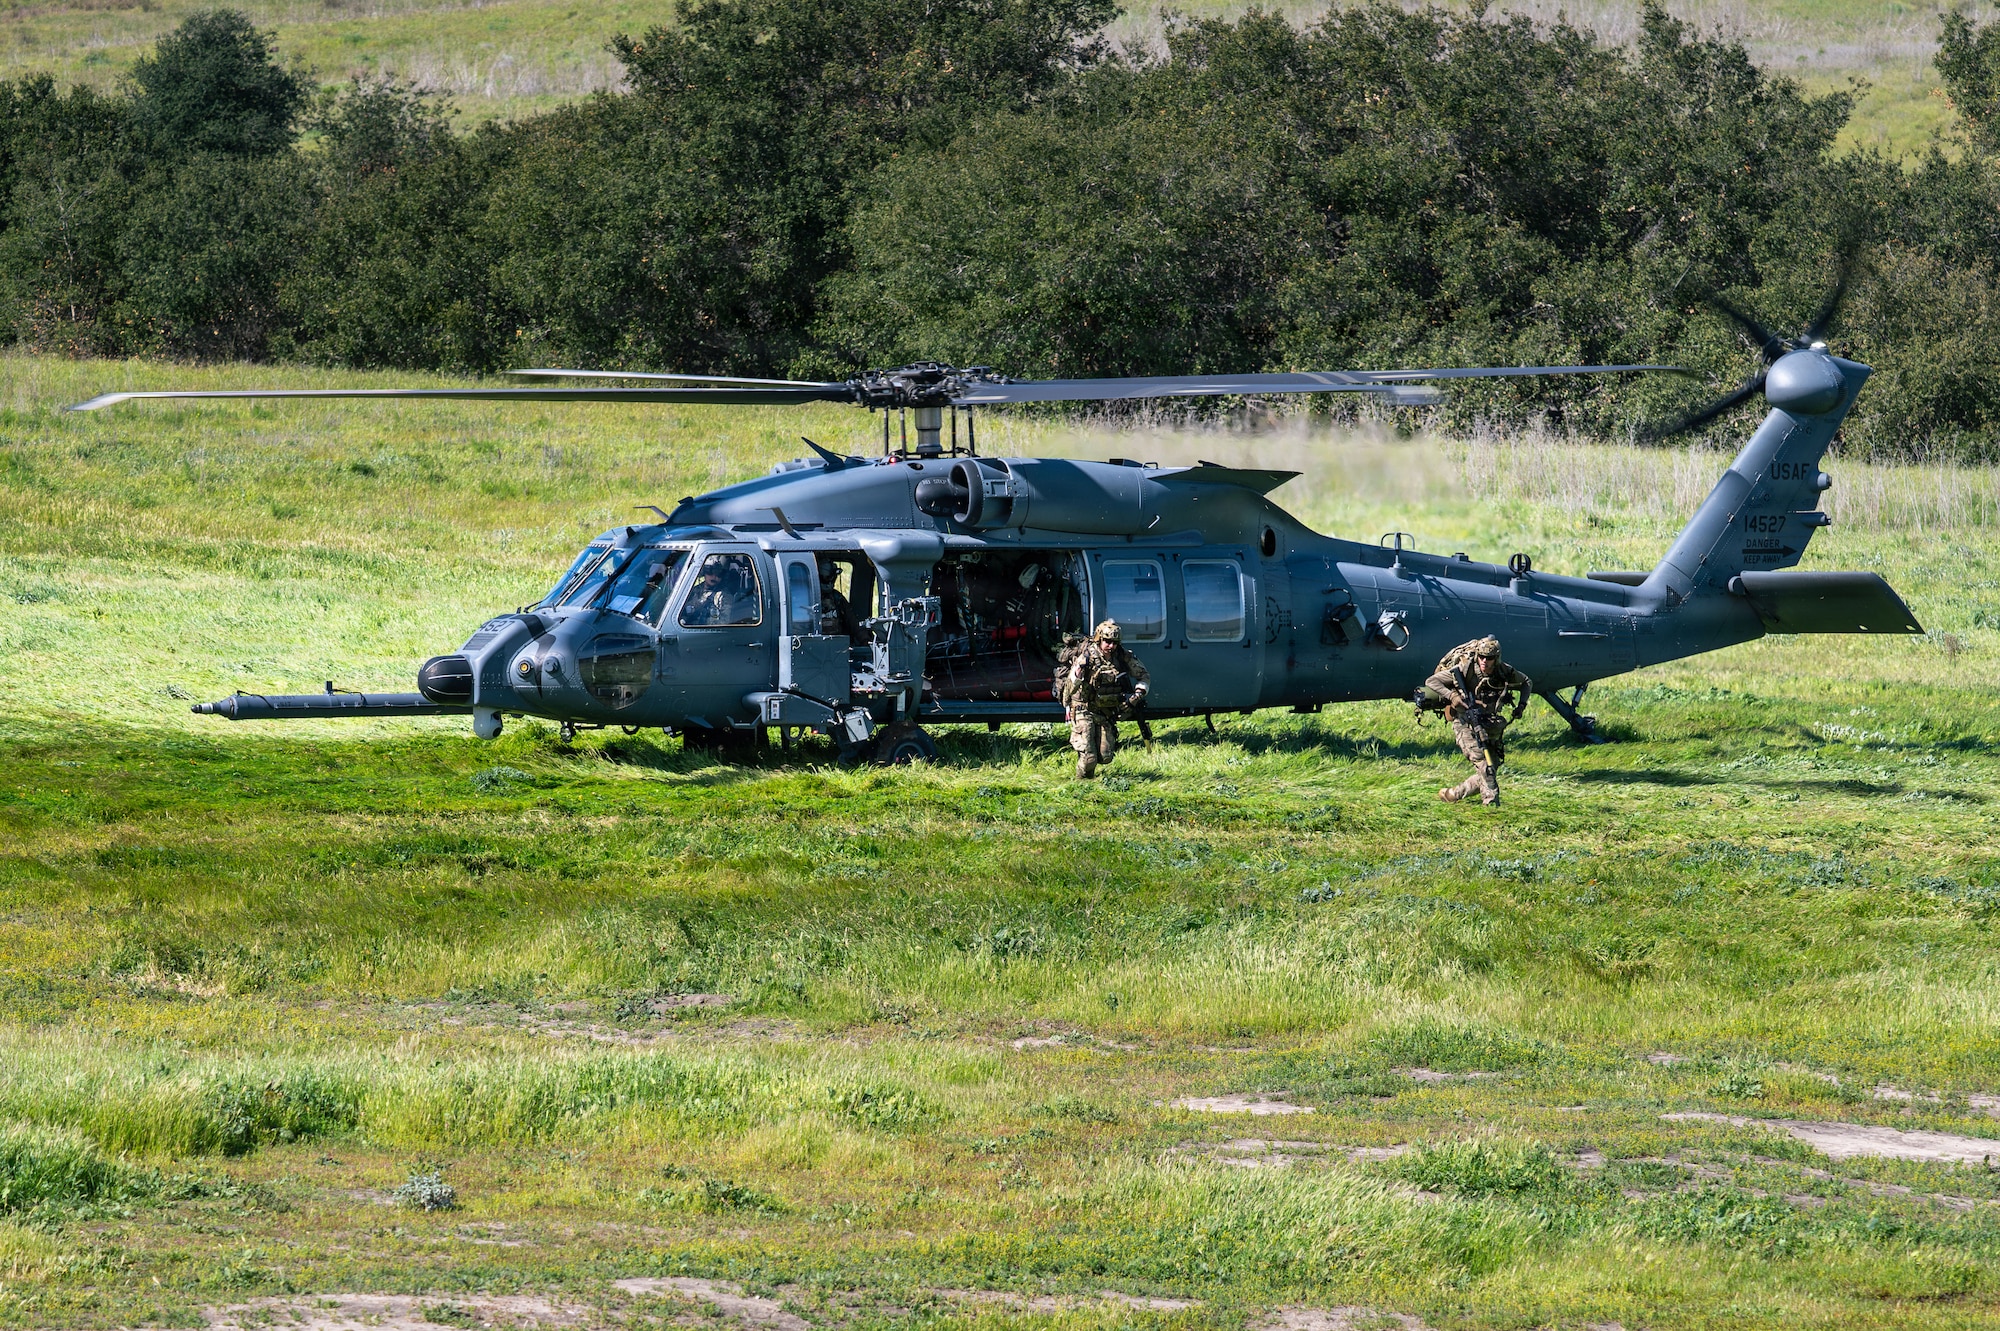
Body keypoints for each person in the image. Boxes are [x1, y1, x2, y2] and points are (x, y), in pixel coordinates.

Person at [1421, 636, 1531, 806]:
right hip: (1464, 721)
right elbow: (1431, 681)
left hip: (1489, 723)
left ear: (1497, 658)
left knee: (1491, 766)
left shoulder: (1504, 671)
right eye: (1481, 657)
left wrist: (1521, 706)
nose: (1484, 661)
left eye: (1489, 658)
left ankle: (1453, 794)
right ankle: (1491, 804)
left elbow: (1526, 682)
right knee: (1483, 762)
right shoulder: (1465, 669)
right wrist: (1452, 696)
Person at [1063, 619, 1150, 779]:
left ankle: (1088, 770)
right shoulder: (1086, 657)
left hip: (1105, 712)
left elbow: (1144, 676)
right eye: (1107, 641)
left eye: (1115, 642)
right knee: (1089, 759)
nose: (1111, 646)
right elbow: (1068, 689)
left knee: (1105, 756)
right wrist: (1078, 677)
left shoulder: (1122, 656)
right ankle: (1082, 786)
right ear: (1099, 639)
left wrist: (1137, 695)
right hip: (1084, 708)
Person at [816, 556, 859, 638]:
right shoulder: (807, 598)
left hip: (838, 645)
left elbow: (853, 623)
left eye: (832, 579)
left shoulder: (837, 598)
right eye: (826, 579)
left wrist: (865, 640)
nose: (829, 583)